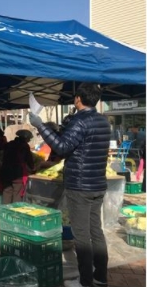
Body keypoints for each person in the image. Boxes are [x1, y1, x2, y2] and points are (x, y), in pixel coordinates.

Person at [29, 83, 111, 287]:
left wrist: (40, 124)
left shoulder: (80, 121)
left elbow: (62, 148)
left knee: (81, 235)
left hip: (80, 185)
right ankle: (100, 277)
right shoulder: (103, 122)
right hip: (98, 184)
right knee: (96, 232)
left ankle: (85, 282)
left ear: (78, 99)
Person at [0, 129, 35, 204]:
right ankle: (15, 211)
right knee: (17, 192)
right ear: (26, 138)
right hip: (17, 172)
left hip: (5, 171)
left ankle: (5, 210)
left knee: (7, 191)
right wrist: (32, 168)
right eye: (29, 138)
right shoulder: (24, 146)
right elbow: (29, 159)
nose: (29, 140)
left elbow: (2, 156)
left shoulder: (9, 144)